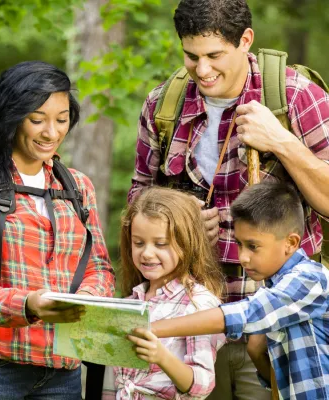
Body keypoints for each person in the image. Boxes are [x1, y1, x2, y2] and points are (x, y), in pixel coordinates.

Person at [128, 0, 329, 398]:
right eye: (191, 56)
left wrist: (282, 142)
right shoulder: (163, 104)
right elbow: (138, 199)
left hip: (275, 327)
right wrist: (177, 220)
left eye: (215, 55)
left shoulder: (295, 96)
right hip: (191, 329)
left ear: (246, 40)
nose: (202, 70)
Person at [0, 61, 115, 399]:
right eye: (37, 120)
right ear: (10, 118)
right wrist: (30, 305)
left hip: (63, 369)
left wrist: (91, 297)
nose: (51, 132)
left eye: (61, 120)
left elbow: (100, 268)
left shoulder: (78, 187)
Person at [147, 182, 329, 400]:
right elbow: (277, 380)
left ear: (290, 243)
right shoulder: (274, 286)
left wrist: (152, 328)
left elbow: (245, 313)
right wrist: (255, 352)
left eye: (253, 246)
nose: (242, 257)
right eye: (239, 244)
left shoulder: (309, 278)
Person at [102, 186, 226, 399]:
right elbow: (113, 380)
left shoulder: (199, 304)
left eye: (160, 244)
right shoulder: (132, 301)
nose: (147, 253)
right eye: (138, 243)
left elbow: (203, 385)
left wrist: (161, 357)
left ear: (186, 243)